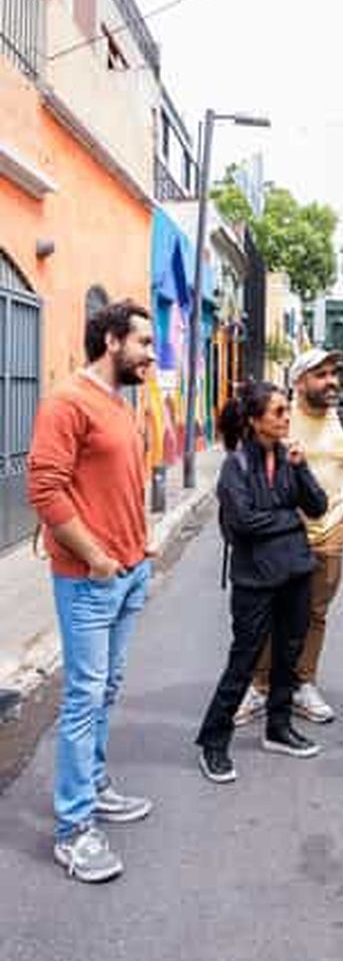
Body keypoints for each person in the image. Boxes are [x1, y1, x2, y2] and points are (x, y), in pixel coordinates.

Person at [27, 299, 157, 884]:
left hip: (127, 571)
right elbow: (46, 490)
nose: (151, 356)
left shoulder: (118, 402)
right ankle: (73, 830)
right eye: (144, 344)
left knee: (106, 687)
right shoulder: (67, 401)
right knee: (84, 696)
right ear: (112, 341)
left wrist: (140, 545)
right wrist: (99, 557)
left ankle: (95, 785)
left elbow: (118, 484)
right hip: (89, 578)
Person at [236, 348, 343, 726]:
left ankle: (303, 684)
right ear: (299, 382)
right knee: (270, 614)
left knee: (315, 615)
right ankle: (262, 687)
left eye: (333, 373)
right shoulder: (280, 418)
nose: (331, 380)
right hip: (279, 537)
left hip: (329, 535)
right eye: (321, 374)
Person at [196, 381, 328, 782]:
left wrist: (302, 467)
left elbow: (318, 507)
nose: (287, 418)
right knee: (245, 660)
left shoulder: (291, 459)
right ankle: (213, 742)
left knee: (289, 655)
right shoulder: (234, 465)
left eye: (287, 411)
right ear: (255, 421)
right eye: (278, 412)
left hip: (295, 575)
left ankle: (279, 727)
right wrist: (290, 521)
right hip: (255, 581)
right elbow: (244, 522)